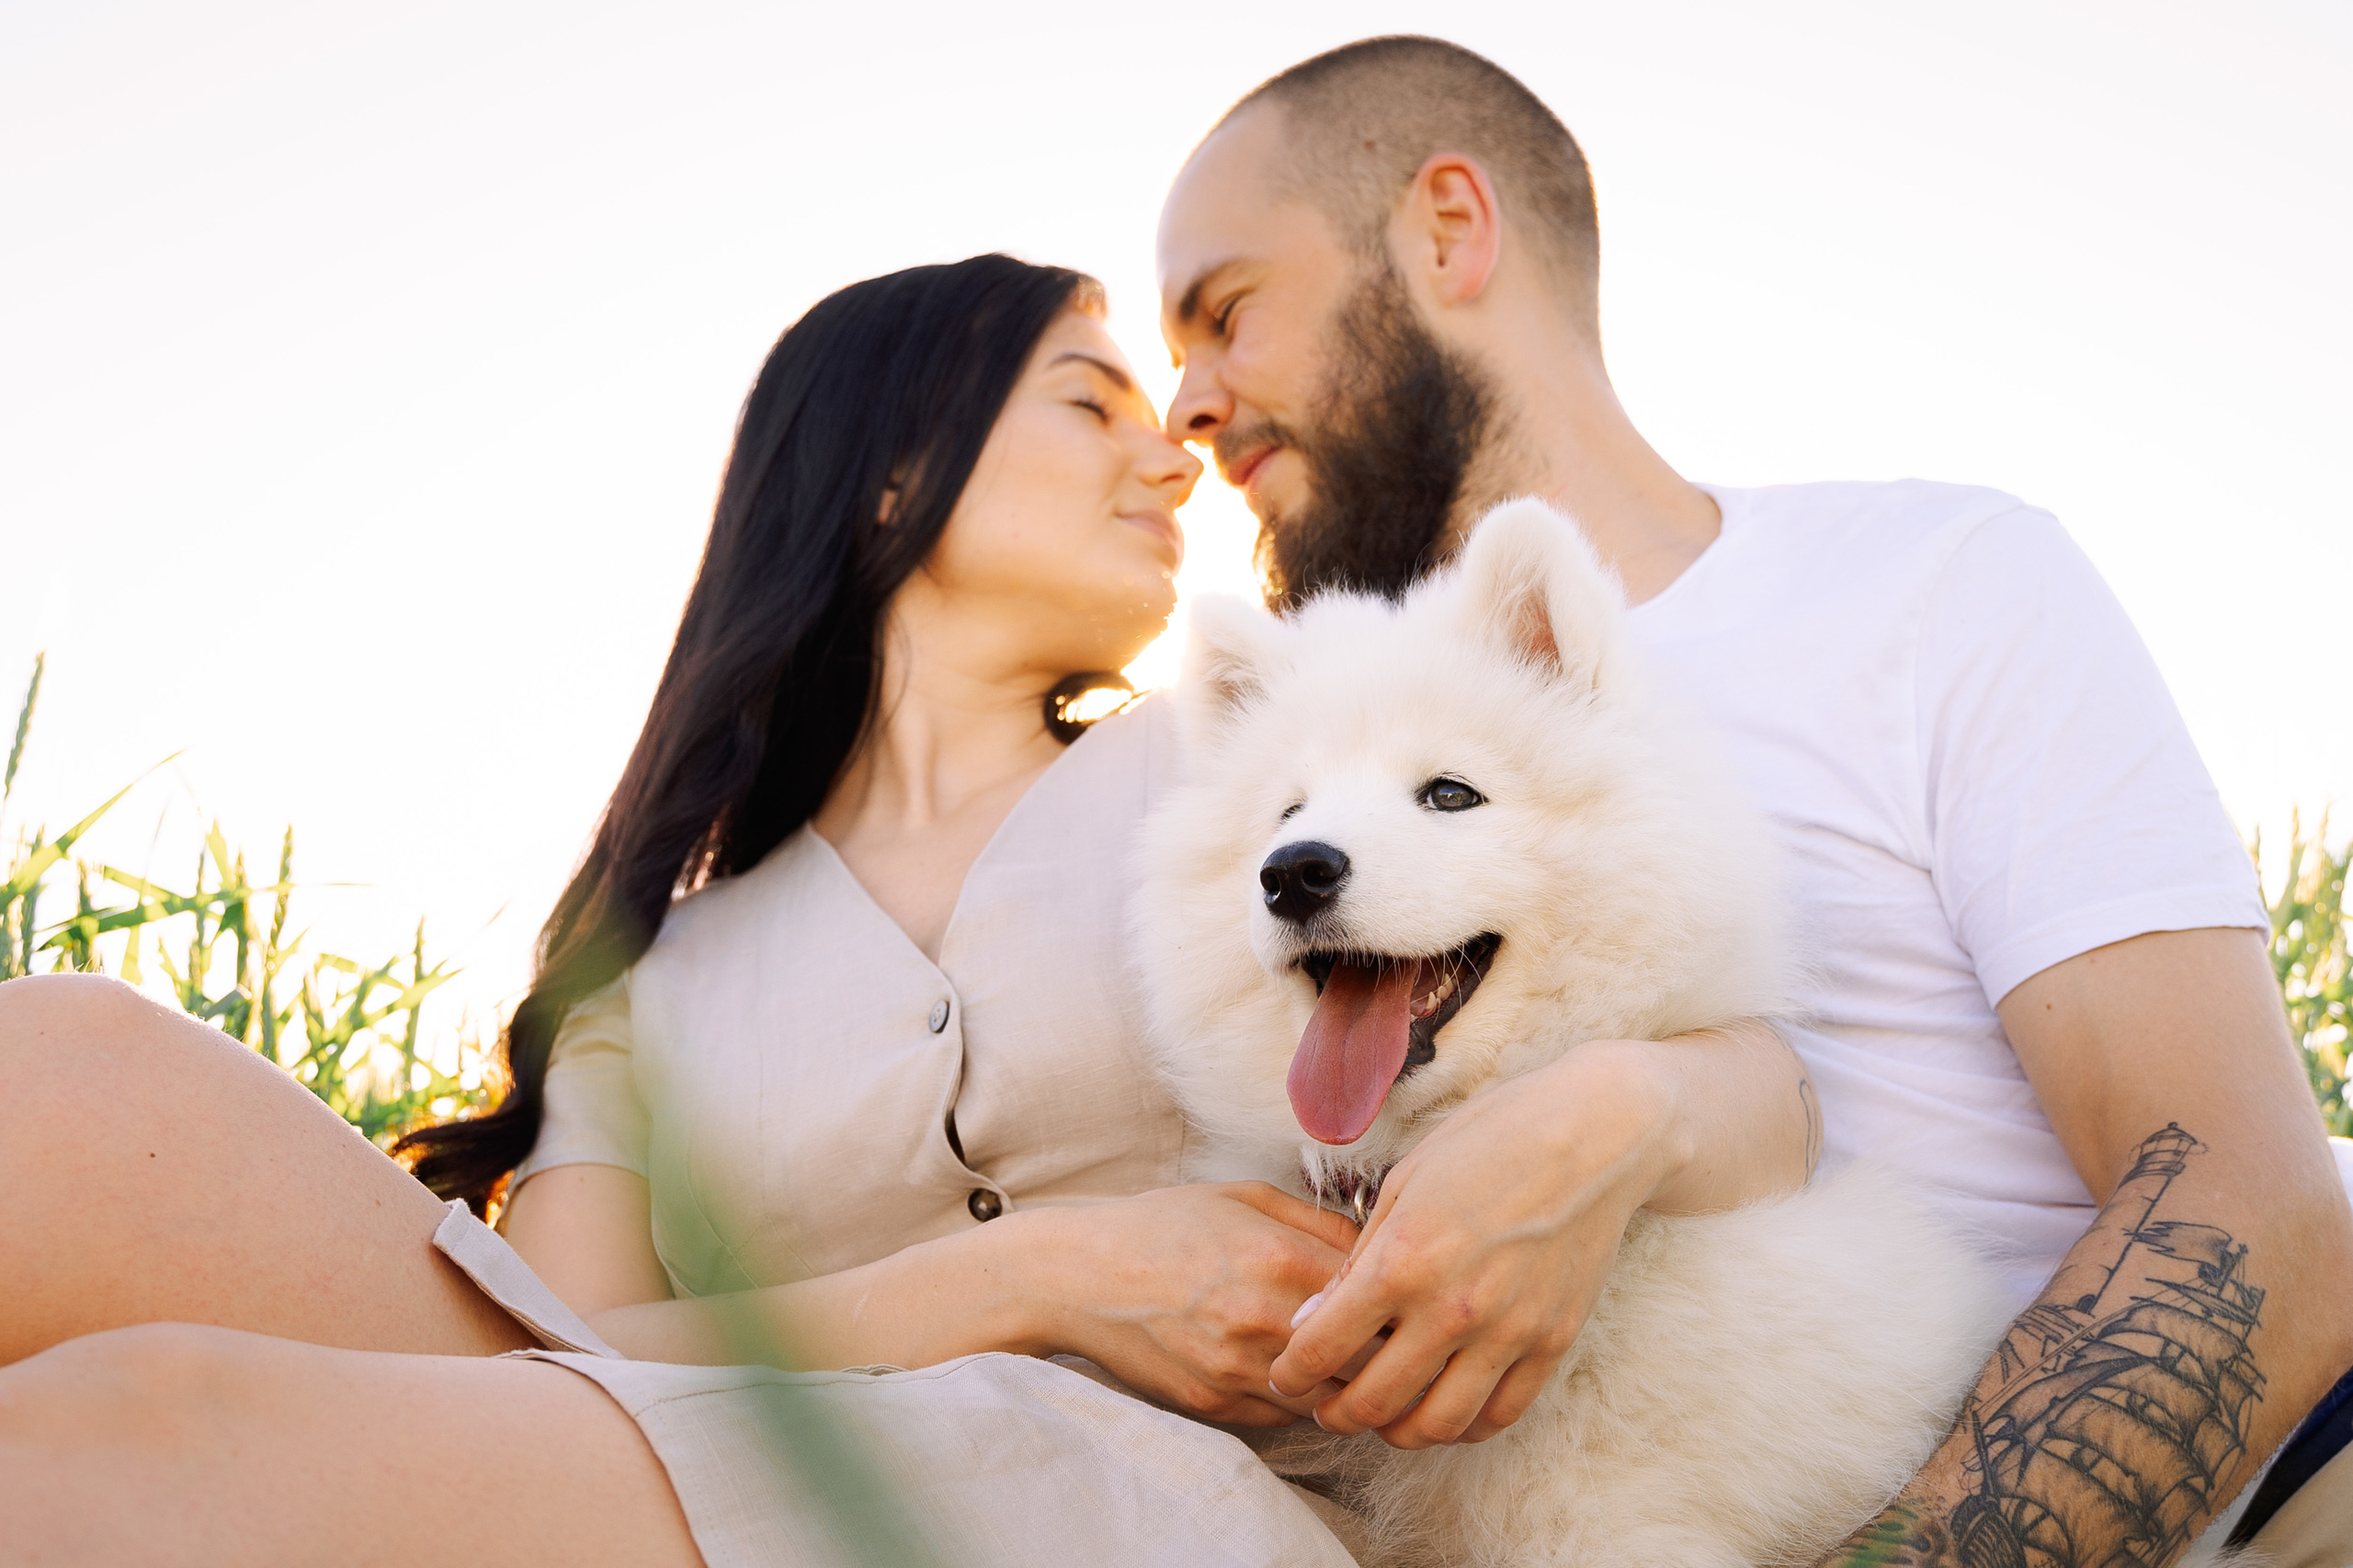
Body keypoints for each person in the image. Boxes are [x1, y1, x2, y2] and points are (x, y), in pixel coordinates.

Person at [0, 254, 1814, 1565]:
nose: (1173, 457)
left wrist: (1622, 1111)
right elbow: (556, 1343)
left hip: (1188, 1497)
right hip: (721, 1455)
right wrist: (1040, 1272)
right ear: (884, 476)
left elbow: (1730, 1058)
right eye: (1089, 402)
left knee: (136, 1428)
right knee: (58, 1069)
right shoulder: (654, 972)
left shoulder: (1273, 769)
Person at [1151, 35, 2353, 1565]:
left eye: (1227, 310)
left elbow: (2258, 1215)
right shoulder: (1279, 740)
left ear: (1449, 230)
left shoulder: (1936, 589)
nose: (1184, 405)